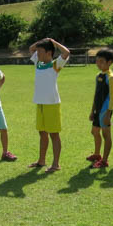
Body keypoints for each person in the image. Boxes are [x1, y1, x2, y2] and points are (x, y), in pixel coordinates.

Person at [28, 37, 70, 172]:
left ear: (49, 53)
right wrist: (42, 41)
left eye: (40, 52)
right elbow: (31, 48)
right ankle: (41, 161)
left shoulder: (55, 65)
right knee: (42, 133)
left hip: (51, 104)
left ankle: (56, 164)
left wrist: (53, 42)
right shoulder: (37, 63)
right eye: (38, 52)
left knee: (54, 134)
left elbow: (66, 52)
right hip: (39, 103)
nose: (37, 53)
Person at [88, 48, 113, 168]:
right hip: (97, 109)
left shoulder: (111, 77)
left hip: (105, 110)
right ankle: (97, 154)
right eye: (97, 61)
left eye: (101, 61)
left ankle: (104, 160)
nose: (98, 63)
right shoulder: (98, 75)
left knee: (106, 135)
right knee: (94, 131)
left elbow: (112, 97)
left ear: (109, 62)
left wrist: (108, 114)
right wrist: (92, 111)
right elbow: (96, 94)